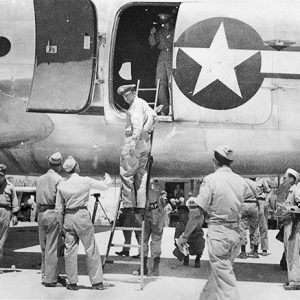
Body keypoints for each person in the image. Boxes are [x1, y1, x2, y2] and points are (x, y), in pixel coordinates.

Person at [178, 145, 248, 300]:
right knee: (219, 275)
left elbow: (197, 213)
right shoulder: (241, 181)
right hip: (235, 234)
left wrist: (185, 236)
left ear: (214, 161)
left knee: (225, 284)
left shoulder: (211, 180)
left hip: (219, 235)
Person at [55, 156, 112, 290]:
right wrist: (108, 178)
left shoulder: (62, 184)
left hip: (68, 216)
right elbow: (105, 186)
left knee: (70, 251)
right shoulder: (84, 181)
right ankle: (97, 282)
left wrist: (60, 224)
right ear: (75, 167)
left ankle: (72, 283)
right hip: (82, 215)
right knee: (90, 248)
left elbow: (58, 208)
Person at [118, 84, 158, 209]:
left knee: (127, 174)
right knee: (141, 175)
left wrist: (133, 143)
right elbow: (155, 117)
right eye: (124, 96)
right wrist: (148, 130)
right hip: (146, 142)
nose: (126, 98)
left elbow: (137, 126)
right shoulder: (143, 103)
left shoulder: (135, 107)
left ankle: (129, 206)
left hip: (136, 143)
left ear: (134, 93)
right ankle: (141, 205)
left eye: (127, 95)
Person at [36, 152, 66, 287]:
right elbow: (60, 202)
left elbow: (37, 202)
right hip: (53, 212)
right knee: (53, 247)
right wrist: (61, 220)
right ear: (59, 166)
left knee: (43, 246)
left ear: (49, 164)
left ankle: (44, 274)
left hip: (41, 214)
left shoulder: (40, 179)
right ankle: (50, 279)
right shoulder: (59, 179)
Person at [133, 181, 168, 276]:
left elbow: (155, 210)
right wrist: (141, 223)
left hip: (157, 217)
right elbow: (135, 211)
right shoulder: (135, 193)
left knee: (155, 242)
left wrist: (155, 224)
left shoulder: (150, 193)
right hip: (145, 217)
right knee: (142, 242)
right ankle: (143, 267)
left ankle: (155, 268)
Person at [149, 13, 174, 115]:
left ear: (170, 21)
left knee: (172, 82)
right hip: (162, 56)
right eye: (163, 22)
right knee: (160, 82)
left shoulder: (176, 30)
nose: (164, 25)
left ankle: (173, 109)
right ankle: (164, 109)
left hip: (172, 55)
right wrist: (152, 34)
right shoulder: (160, 32)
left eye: (166, 22)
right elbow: (152, 43)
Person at [279, 168, 300, 290]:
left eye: (285, 178)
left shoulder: (297, 190)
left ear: (292, 179)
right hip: (289, 224)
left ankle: (296, 280)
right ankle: (292, 279)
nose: (283, 180)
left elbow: (298, 207)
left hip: (294, 225)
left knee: (293, 253)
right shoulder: (292, 190)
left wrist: (287, 209)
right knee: (289, 253)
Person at [0, 164, 19, 273]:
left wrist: (15, 215)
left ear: (4, 176)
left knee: (1, 240)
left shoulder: (10, 186)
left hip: (5, 212)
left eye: (1, 175)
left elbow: (14, 201)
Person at [238, 178, 260, 259]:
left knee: (242, 228)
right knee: (255, 228)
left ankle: (243, 252)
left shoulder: (242, 182)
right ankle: (255, 251)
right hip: (254, 205)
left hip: (244, 205)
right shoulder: (256, 184)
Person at [255, 177, 271, 256]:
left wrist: (266, 201)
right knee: (253, 228)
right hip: (252, 202)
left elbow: (268, 191)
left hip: (261, 202)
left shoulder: (261, 179)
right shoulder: (246, 179)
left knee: (263, 226)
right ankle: (254, 249)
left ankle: (264, 249)